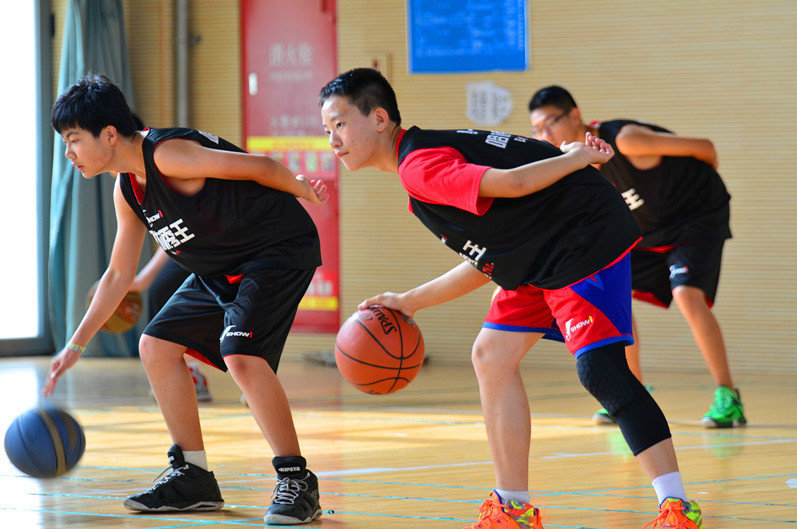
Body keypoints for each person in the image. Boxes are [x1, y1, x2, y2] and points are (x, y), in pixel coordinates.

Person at [318, 67, 705, 529]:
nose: (333, 140)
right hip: (541, 250)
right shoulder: (424, 158)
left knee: (602, 371)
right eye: (327, 131)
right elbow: (489, 261)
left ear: (379, 119)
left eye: (340, 125)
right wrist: (411, 299)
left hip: (579, 237)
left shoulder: (419, 167)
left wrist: (575, 158)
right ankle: (512, 508)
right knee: (492, 354)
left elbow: (516, 184)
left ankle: (677, 507)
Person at [44, 73, 327, 525]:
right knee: (155, 346)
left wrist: (302, 188)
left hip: (276, 250)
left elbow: (259, 166)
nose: (68, 153)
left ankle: (297, 480)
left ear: (110, 135)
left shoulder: (168, 154)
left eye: (74, 140)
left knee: (242, 354)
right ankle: (192, 476)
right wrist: (74, 345)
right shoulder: (126, 189)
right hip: (220, 267)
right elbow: (119, 273)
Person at [528, 85, 744, 429]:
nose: (544, 134)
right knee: (615, 291)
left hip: (694, 219)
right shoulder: (575, 163)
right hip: (649, 231)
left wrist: (700, 188)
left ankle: (727, 395)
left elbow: (706, 149)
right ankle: (631, 391)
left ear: (574, 115)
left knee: (686, 294)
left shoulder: (626, 140)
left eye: (549, 124)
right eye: (537, 129)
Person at [130, 248, 212, 402]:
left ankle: (258, 372)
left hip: (239, 241)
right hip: (196, 242)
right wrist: (142, 279)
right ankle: (189, 369)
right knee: (161, 287)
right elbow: (171, 235)